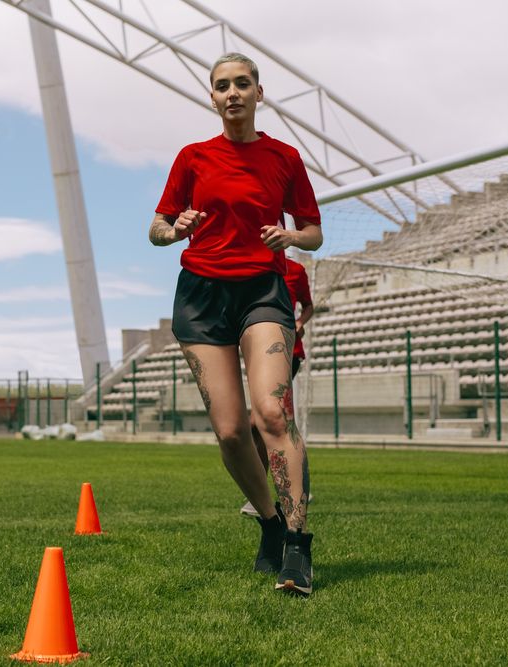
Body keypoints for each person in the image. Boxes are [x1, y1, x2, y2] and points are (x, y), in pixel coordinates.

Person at [148, 52, 322, 596]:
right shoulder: (192, 157)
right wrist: (175, 230)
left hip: (263, 291)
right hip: (201, 297)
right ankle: (269, 525)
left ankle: (297, 547)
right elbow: (155, 229)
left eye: (241, 84)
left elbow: (314, 230)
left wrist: (290, 239)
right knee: (228, 430)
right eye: (222, 85)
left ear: (258, 92)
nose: (232, 93)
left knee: (271, 411)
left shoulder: (284, 158)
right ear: (212, 97)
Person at [240, 256, 314, 518]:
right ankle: (259, 493)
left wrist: (300, 323)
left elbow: (308, 306)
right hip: (259, 351)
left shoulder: (295, 270)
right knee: (259, 423)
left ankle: (294, 487)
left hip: (289, 351)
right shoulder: (250, 266)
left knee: (270, 418)